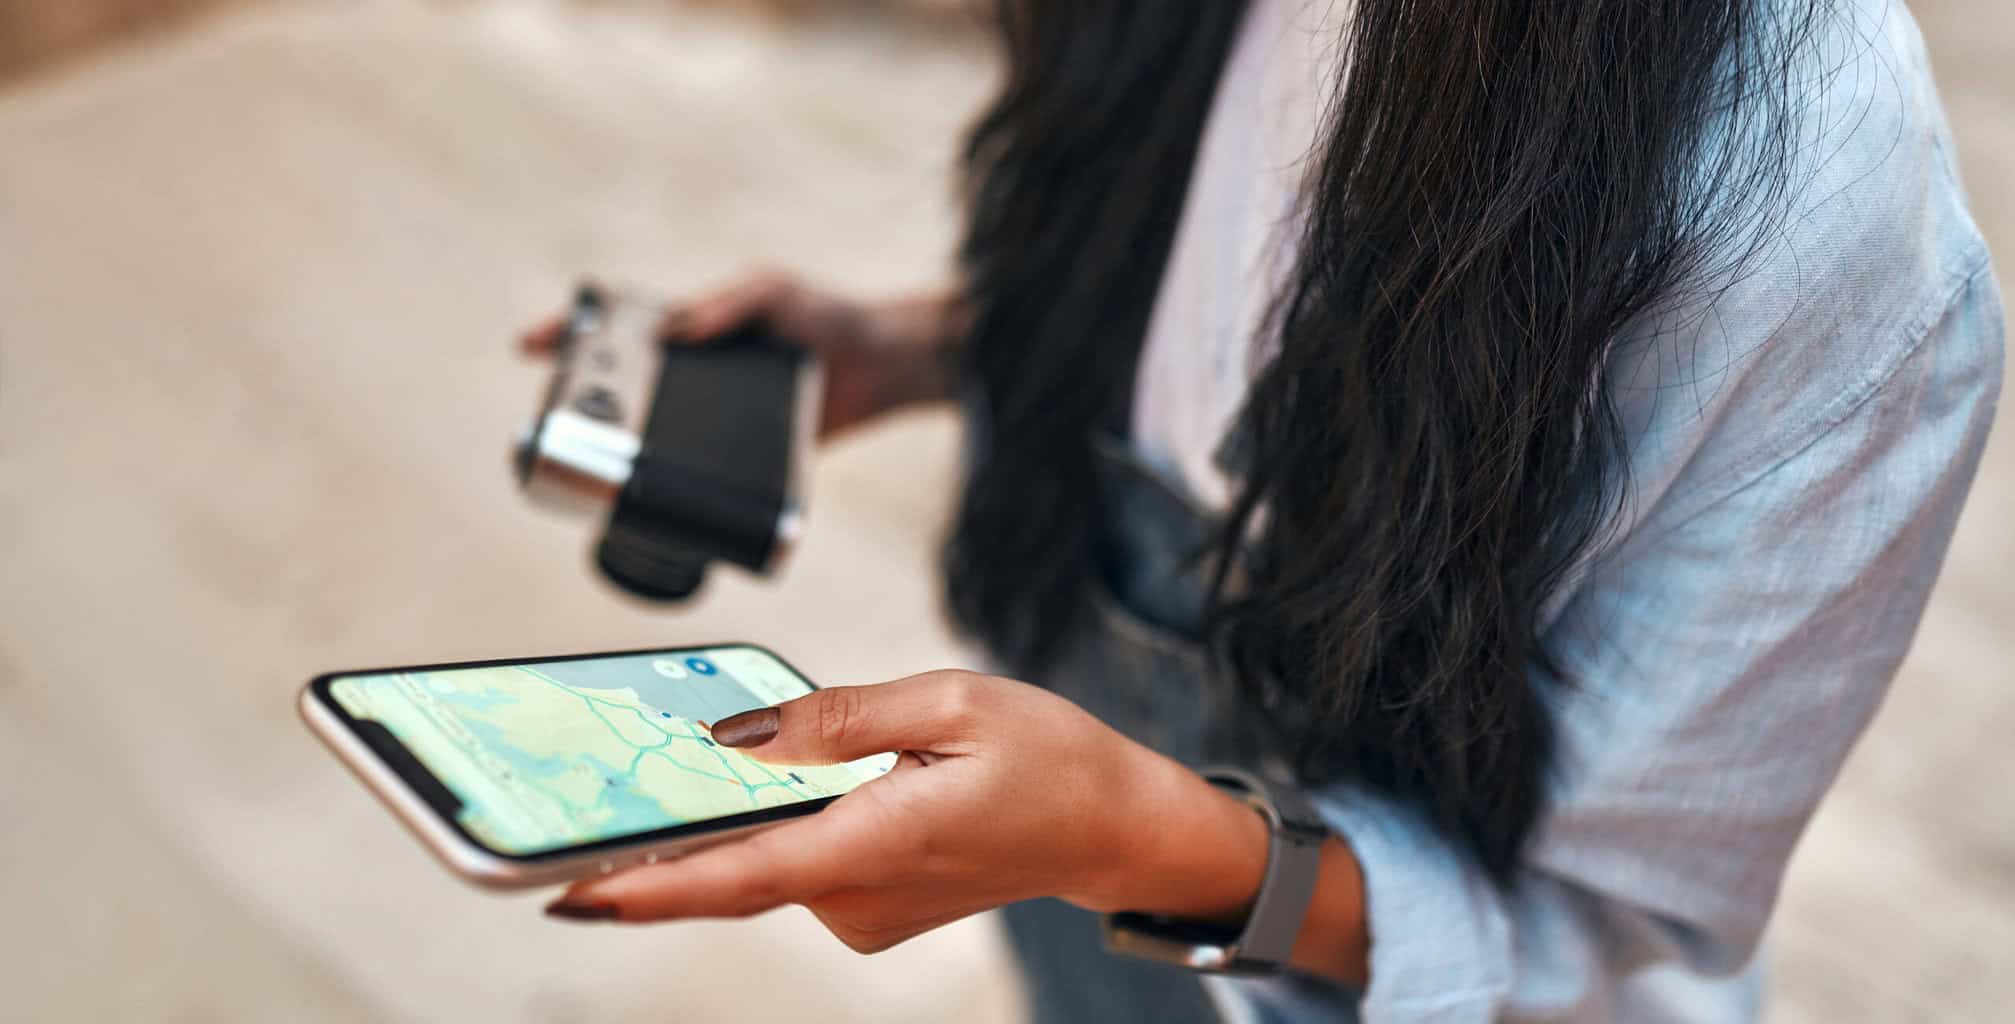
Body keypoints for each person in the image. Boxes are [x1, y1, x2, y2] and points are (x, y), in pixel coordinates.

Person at [525, 0, 2003, 1020]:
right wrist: (922, 344)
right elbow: (1254, 306)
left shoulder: (1820, 219)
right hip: (1083, 918)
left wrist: (1132, 837)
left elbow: (1598, 945)